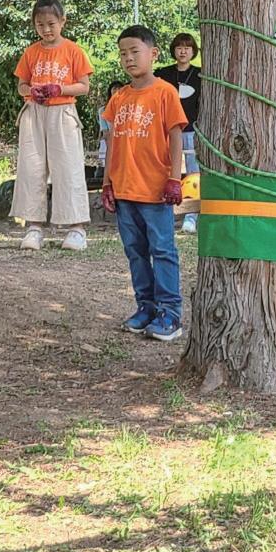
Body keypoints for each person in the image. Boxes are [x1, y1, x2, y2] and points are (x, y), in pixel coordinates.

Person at [99, 25, 187, 342]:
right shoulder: (119, 98)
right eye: (123, 53)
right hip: (124, 191)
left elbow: (176, 136)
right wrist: (107, 184)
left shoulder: (165, 92)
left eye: (135, 51)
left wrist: (175, 178)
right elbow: (111, 142)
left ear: (153, 53)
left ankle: (170, 314)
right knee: (135, 252)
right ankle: (146, 307)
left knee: (162, 250)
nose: (129, 58)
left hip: (155, 191)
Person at [12, 0, 93, 251]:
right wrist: (30, 91)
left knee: (68, 168)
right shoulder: (31, 52)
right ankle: (34, 226)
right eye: (40, 25)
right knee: (31, 168)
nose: (46, 30)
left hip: (63, 112)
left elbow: (84, 86)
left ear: (62, 22)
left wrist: (60, 89)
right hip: (34, 112)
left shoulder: (73, 51)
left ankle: (76, 228)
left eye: (51, 24)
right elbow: (21, 85)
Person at [155, 33, 201, 234]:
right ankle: (164, 212)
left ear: (193, 51)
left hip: (192, 129)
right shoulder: (163, 73)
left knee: (194, 172)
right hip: (166, 130)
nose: (183, 51)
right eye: (179, 47)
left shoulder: (201, 75)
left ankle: (191, 216)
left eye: (187, 48)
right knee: (164, 170)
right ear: (174, 50)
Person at [97, 79, 127, 175]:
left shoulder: (128, 107)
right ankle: (101, 173)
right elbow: (105, 131)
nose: (117, 90)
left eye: (119, 88)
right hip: (110, 139)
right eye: (114, 88)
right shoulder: (103, 110)